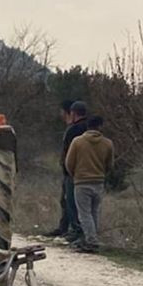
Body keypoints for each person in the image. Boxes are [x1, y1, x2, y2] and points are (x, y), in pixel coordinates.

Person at [65, 114, 115, 253]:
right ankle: (91, 238)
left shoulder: (77, 142)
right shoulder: (107, 143)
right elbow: (110, 164)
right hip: (99, 182)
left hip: (81, 182)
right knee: (94, 212)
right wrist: (101, 173)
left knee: (84, 214)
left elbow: (69, 163)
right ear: (100, 126)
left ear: (88, 126)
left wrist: (75, 174)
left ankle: (91, 241)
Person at [49, 101, 90, 242]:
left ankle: (74, 231)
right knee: (78, 204)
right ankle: (69, 229)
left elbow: (70, 152)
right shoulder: (89, 128)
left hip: (73, 172)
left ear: (72, 113)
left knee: (71, 202)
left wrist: (67, 168)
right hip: (87, 172)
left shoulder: (73, 130)